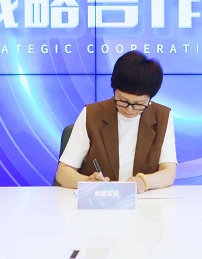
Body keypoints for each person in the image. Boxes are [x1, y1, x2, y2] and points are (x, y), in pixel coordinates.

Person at [55, 51, 176, 193]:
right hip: (98, 201)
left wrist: (144, 182)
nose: (129, 109)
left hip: (145, 201)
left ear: (150, 99)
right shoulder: (92, 114)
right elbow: (63, 172)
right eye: (123, 101)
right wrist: (88, 182)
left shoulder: (162, 116)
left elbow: (169, 172)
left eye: (139, 104)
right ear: (114, 90)